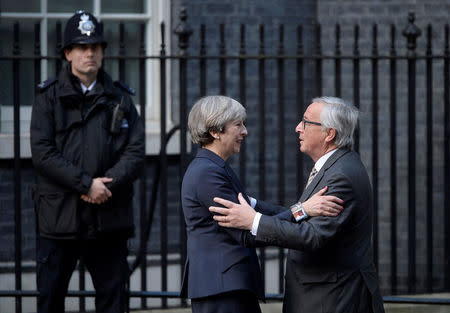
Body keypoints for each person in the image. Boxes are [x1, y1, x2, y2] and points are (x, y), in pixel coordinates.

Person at [209, 96, 385, 313]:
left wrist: (253, 221)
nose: (297, 128)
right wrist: (252, 204)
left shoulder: (341, 176)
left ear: (329, 134)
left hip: (332, 300)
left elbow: (312, 236)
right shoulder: (337, 165)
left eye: (306, 122)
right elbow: (306, 216)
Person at [180, 95, 343, 313]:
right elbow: (247, 233)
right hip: (221, 289)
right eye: (238, 125)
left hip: (224, 286)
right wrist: (302, 210)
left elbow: (250, 209)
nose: (245, 131)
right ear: (215, 131)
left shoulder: (213, 168)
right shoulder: (207, 174)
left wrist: (302, 211)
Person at [30, 10, 145, 313]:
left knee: (113, 301)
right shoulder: (47, 98)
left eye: (95, 46)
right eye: (81, 47)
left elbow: (135, 152)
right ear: (68, 53)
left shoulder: (121, 98)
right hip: (59, 219)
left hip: (109, 218)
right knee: (50, 300)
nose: (89, 53)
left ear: (103, 52)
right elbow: (43, 153)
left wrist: (105, 186)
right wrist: (86, 184)